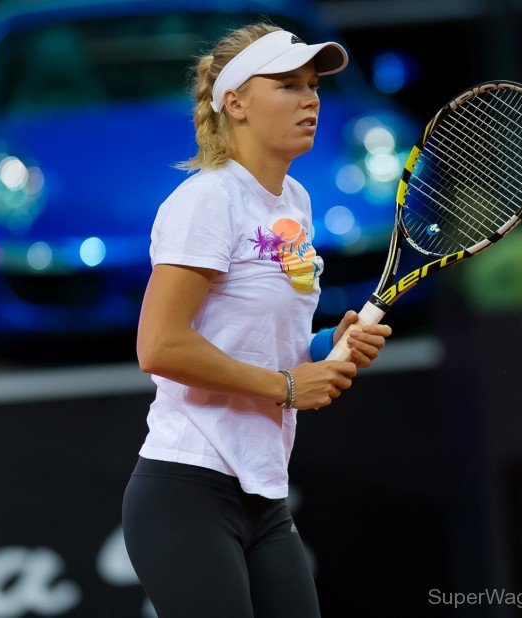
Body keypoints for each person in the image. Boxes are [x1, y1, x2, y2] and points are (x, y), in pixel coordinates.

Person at [122, 22, 392, 618]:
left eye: (313, 85)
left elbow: (260, 342)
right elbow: (160, 346)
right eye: (288, 84)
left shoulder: (294, 200)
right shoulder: (206, 201)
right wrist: (288, 387)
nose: (310, 98)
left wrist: (324, 346)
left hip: (264, 497)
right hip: (186, 489)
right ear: (235, 103)